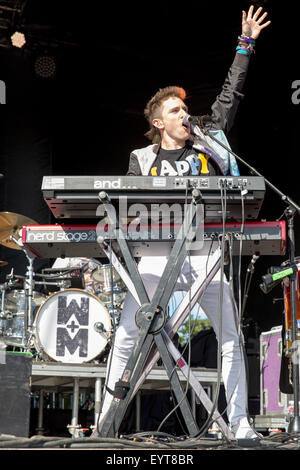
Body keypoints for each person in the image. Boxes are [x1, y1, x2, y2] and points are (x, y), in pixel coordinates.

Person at [96, 6, 271, 440]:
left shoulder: (207, 141)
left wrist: (244, 43)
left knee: (230, 335)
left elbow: (230, 95)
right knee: (126, 337)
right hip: (156, 258)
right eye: (175, 111)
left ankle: (240, 422)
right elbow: (127, 213)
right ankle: (105, 423)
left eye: (184, 109)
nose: (184, 115)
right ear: (159, 123)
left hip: (204, 253)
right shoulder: (141, 160)